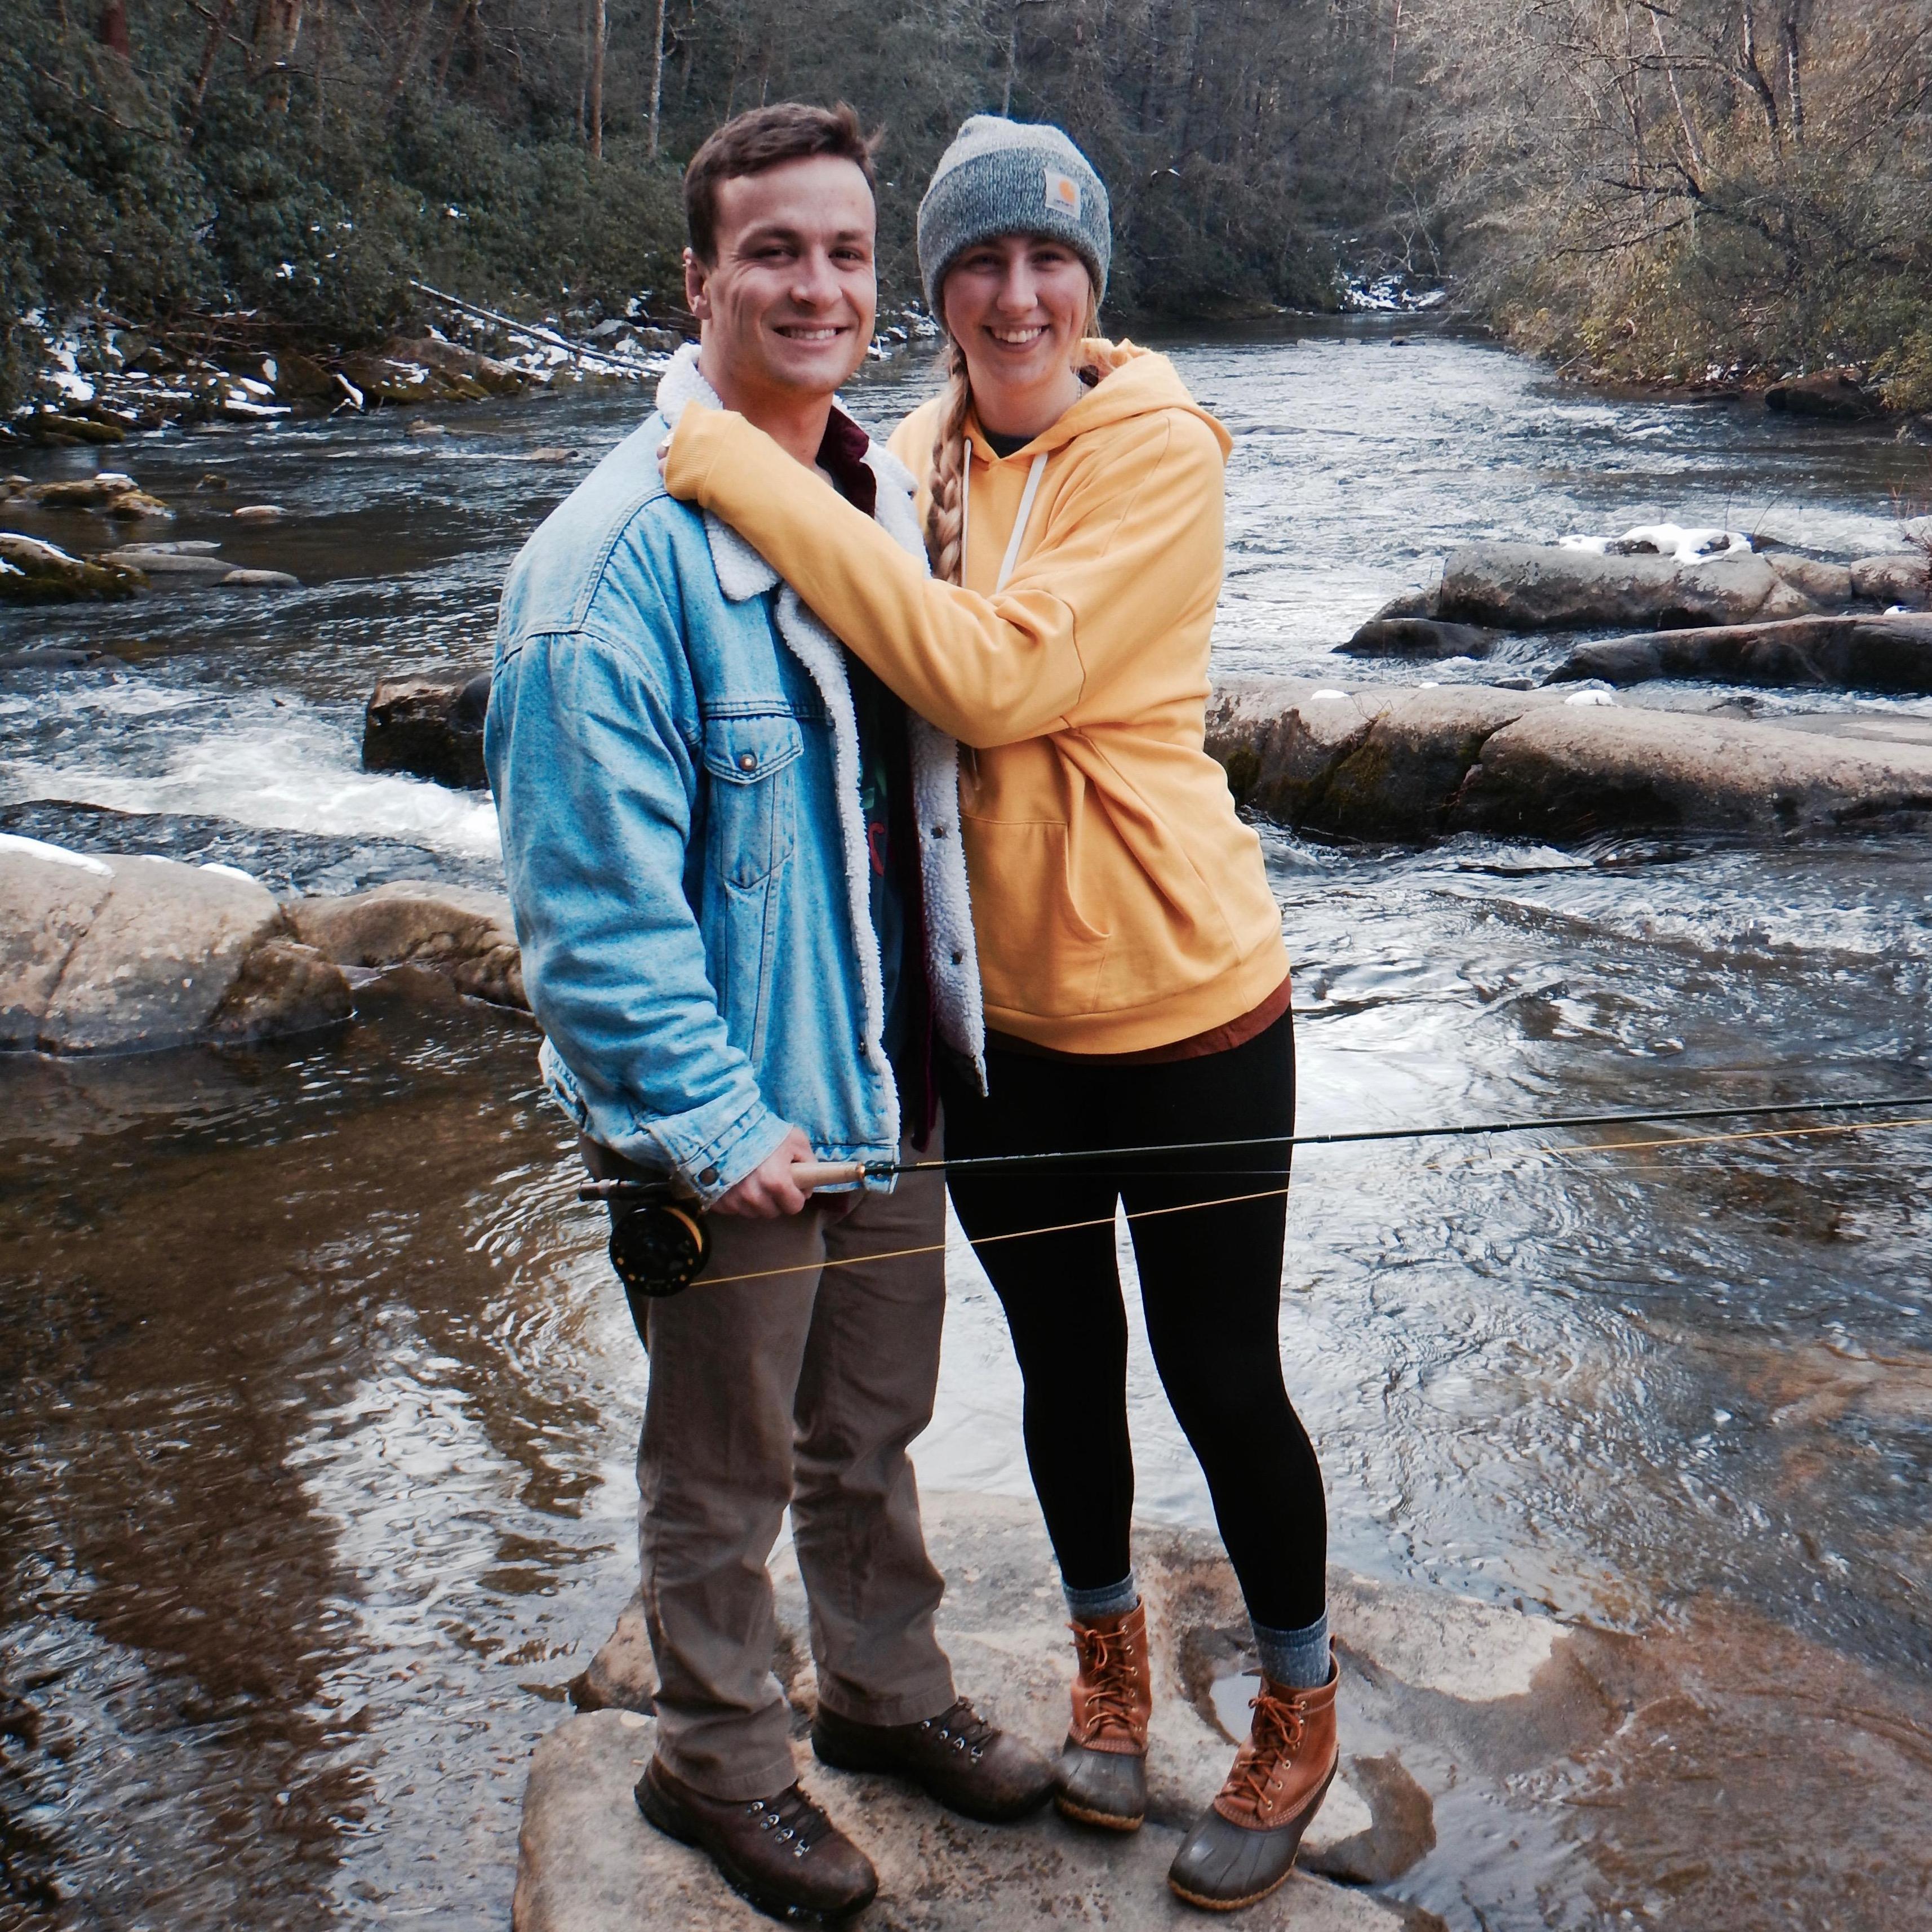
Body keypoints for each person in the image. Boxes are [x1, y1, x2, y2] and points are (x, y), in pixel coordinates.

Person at [660, 113, 1336, 1913]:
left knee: (1224, 1381)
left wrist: (736, 470)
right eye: (981, 259)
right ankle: (1109, 1670)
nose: (1018, 293)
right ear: (939, 289)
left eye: (1051, 261)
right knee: (1062, 1380)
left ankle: (1295, 1709)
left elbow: (994, 672)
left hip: (1190, 1012)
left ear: (1092, 283)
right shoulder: (916, 457)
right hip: (992, 1035)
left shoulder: (1159, 451)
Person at [486, 103, 1054, 1927]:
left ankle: (884, 1697)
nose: (818, 286)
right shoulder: (606, 572)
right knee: (720, 1471)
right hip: (735, 1123)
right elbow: (589, 926)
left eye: (845, 253)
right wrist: (719, 1136)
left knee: (873, 1434)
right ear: (698, 277)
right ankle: (714, 1761)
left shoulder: (876, 495)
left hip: (889, 1081)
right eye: (775, 251)